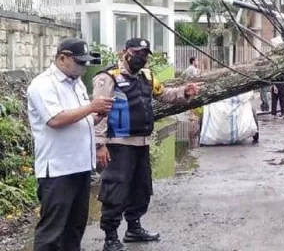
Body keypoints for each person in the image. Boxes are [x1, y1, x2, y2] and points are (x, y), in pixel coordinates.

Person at [92, 38, 202, 251]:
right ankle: (110, 236)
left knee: (141, 188)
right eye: (137, 53)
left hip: (142, 142)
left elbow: (165, 95)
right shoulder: (108, 78)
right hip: (118, 143)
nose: (140, 58)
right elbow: (100, 113)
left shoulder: (147, 76)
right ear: (125, 52)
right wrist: (100, 144)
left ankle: (134, 228)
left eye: (144, 54)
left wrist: (184, 92)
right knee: (116, 188)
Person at [26, 37, 114, 251]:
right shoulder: (43, 84)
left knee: (74, 228)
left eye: (85, 63)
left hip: (80, 166)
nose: (83, 67)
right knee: (52, 232)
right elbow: (55, 119)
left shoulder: (76, 85)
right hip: (58, 170)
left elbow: (80, 119)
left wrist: (97, 116)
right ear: (62, 58)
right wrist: (91, 107)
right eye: (79, 62)